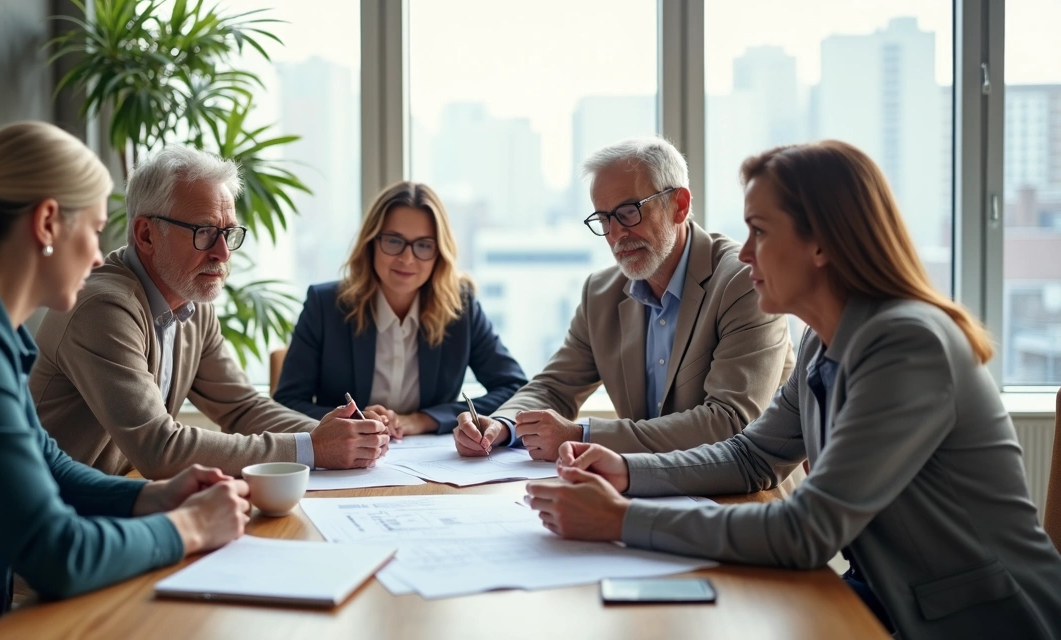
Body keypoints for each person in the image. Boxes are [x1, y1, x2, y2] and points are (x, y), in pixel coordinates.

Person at [526, 140, 1061, 639]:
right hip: (885, 600)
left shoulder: (907, 346)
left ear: (822, 244)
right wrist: (625, 470)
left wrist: (620, 518)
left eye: (760, 231)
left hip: (979, 622)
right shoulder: (823, 343)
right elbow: (752, 454)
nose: (747, 254)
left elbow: (808, 530)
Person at [0, 123, 252, 638]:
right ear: (47, 224)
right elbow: (54, 553)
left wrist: (153, 497)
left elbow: (49, 462)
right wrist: (190, 526)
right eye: (95, 229)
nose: (101, 255)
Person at [30, 146, 388, 479]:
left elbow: (242, 408)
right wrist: (314, 448)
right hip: (46, 516)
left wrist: (339, 434)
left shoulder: (191, 303)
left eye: (228, 233)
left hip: (111, 499)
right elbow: (160, 448)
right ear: (146, 234)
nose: (223, 253)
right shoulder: (103, 307)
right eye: (204, 232)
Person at [454, 136, 793, 461]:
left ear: (680, 205)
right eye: (603, 218)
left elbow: (730, 423)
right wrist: (503, 425)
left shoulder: (744, 281)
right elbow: (553, 388)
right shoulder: (600, 293)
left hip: (741, 502)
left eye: (628, 212)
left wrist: (582, 436)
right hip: (643, 492)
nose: (615, 234)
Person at [274, 181, 526, 436]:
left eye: (424, 245)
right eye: (394, 241)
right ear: (371, 242)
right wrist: (351, 420)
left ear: (439, 252)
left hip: (432, 464)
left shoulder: (460, 308)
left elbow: (515, 390)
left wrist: (423, 420)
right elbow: (286, 404)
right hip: (345, 462)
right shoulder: (325, 306)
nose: (407, 258)